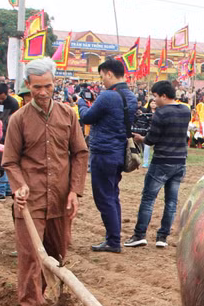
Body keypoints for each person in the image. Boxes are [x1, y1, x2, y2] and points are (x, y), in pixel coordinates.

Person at [2, 57, 88, 306]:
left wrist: (75, 191)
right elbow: (10, 160)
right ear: (28, 85)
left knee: (57, 254)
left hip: (61, 199)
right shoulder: (19, 120)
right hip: (31, 201)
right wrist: (19, 186)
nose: (42, 92)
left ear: (55, 84)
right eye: (36, 87)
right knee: (31, 258)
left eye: (47, 86)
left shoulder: (68, 115)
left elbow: (80, 153)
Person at [124, 80, 190, 249]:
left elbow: (152, 139)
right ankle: (162, 237)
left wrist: (140, 138)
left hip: (161, 161)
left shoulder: (161, 113)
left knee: (148, 199)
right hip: (180, 161)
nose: (154, 100)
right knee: (171, 202)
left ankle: (139, 235)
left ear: (164, 96)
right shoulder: (185, 110)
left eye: (155, 96)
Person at [80, 57, 136, 253]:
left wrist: (81, 102)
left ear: (110, 73)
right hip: (119, 152)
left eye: (102, 75)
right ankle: (114, 237)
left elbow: (86, 117)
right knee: (113, 195)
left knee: (104, 197)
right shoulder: (130, 96)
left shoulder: (107, 96)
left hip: (103, 152)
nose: (102, 80)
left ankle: (113, 241)